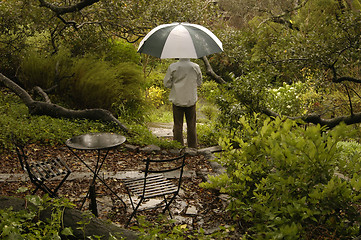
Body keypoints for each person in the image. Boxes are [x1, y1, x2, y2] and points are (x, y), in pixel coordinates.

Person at [163, 58, 202, 148]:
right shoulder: (195, 67)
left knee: (178, 125)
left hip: (177, 99)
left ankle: (178, 147)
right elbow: (199, 83)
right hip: (191, 99)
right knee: (191, 125)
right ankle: (192, 147)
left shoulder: (173, 67)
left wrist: (175, 83)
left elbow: (167, 84)